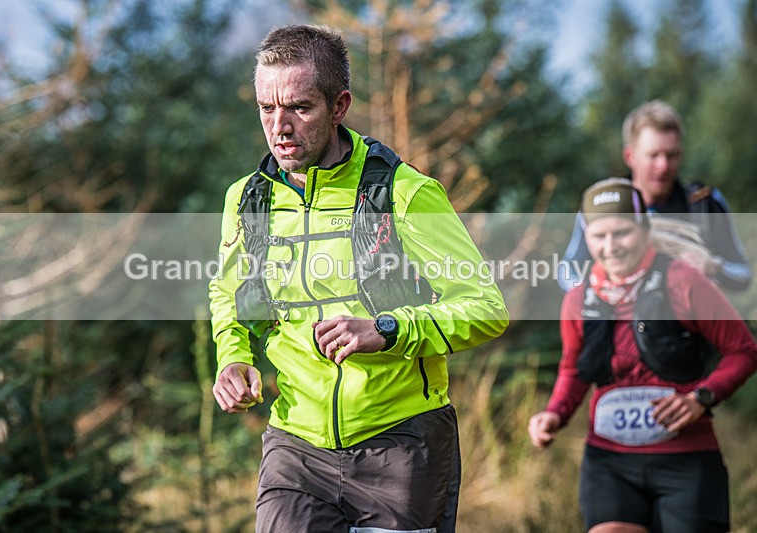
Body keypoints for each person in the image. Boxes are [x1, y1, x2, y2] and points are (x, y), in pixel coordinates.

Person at [209, 24, 509, 533]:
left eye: (299, 108)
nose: (279, 126)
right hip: (295, 445)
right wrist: (233, 356)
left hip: (402, 442)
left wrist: (387, 329)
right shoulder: (248, 200)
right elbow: (231, 295)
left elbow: (484, 308)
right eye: (266, 108)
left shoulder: (405, 193)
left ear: (339, 105)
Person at [529, 178, 757, 533]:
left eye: (622, 233)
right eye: (599, 236)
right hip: (609, 464)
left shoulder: (684, 280)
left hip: (686, 461)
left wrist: (702, 398)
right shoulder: (578, 298)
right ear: (586, 237)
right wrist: (554, 414)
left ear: (644, 228)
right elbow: (574, 368)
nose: (610, 247)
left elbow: (743, 351)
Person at [559, 100, 751, 292]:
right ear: (629, 156)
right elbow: (567, 270)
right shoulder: (601, 203)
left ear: (681, 154)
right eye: (653, 155)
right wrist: (597, 293)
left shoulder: (704, 203)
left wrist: (711, 266)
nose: (663, 166)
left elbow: (743, 275)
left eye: (671, 155)